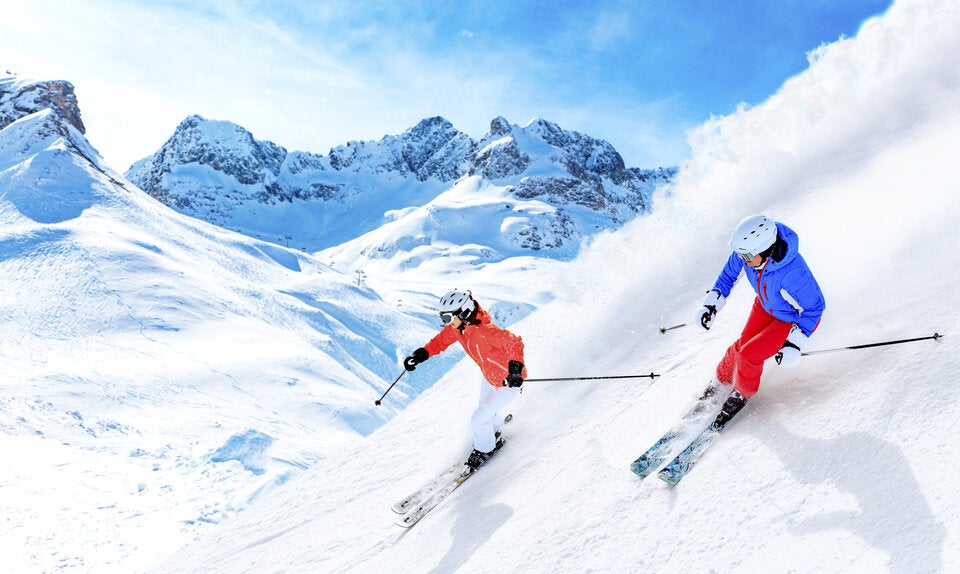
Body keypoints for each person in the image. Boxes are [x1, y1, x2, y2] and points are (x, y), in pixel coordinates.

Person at [694, 214, 825, 429]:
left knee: (749, 355)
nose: (742, 259)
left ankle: (741, 394)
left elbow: (814, 308)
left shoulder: (793, 272)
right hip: (765, 306)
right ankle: (721, 381)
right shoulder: (749, 253)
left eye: (747, 256)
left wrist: (794, 343)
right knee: (739, 347)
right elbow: (728, 276)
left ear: (765, 250)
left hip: (788, 320)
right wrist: (711, 305)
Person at [403, 289, 527, 470]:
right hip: (490, 378)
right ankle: (495, 431)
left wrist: (515, 371)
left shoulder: (486, 331)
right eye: (443, 318)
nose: (447, 323)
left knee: (478, 418)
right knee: (485, 411)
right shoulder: (459, 330)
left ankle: (485, 449)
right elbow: (439, 342)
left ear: (464, 312)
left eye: (447, 318)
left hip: (509, 383)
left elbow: (514, 342)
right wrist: (421, 355)